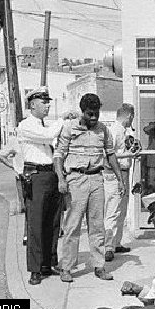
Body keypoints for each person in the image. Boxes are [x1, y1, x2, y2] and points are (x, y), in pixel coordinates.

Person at [54, 93, 123, 282]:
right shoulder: (69, 128)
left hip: (97, 179)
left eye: (96, 114)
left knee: (97, 226)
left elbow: (110, 155)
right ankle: (67, 267)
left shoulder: (104, 130)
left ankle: (99, 266)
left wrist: (119, 179)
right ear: (82, 112)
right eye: (89, 114)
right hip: (76, 179)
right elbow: (58, 156)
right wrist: (61, 179)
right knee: (72, 225)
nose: (93, 118)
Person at [16, 86, 65, 286]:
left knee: (53, 222)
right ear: (33, 104)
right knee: (36, 224)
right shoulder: (26, 125)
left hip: (50, 174)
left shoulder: (45, 125)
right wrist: (63, 119)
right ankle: (35, 269)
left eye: (48, 102)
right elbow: (48, 136)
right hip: (35, 176)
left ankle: (48, 262)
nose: (47, 106)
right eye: (44, 103)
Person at [104, 104, 140, 262]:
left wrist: (130, 155)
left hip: (124, 173)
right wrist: (128, 154)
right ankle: (108, 247)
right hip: (114, 175)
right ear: (129, 116)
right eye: (131, 116)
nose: (132, 119)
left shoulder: (123, 131)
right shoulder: (114, 130)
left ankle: (116, 243)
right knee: (113, 210)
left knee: (122, 210)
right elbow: (108, 155)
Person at [0, 135, 28, 246]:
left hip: (35, 176)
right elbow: (1, 156)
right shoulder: (15, 141)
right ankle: (26, 234)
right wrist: (13, 166)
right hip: (22, 177)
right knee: (26, 206)